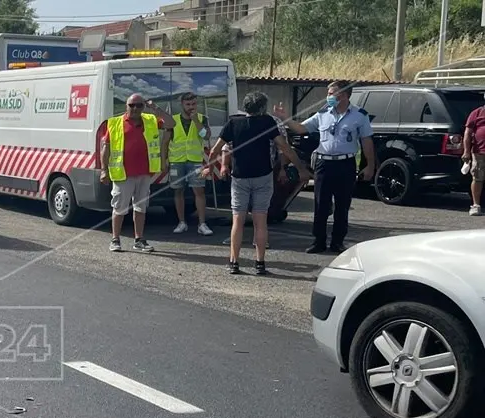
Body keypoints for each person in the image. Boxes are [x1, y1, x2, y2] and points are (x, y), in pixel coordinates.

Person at [208, 91, 311, 275]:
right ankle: (260, 262)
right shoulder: (268, 123)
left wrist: (209, 167)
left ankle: (234, 262)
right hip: (263, 176)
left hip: (239, 177)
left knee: (237, 221)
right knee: (260, 221)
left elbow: (216, 149)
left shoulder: (233, 123)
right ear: (262, 108)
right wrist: (300, 168)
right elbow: (284, 147)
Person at [274, 80, 375, 253]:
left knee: (342, 205)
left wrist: (370, 166)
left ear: (343, 95)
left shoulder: (360, 115)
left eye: (330, 94)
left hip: (345, 164)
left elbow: (366, 141)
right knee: (321, 204)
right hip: (324, 163)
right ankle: (318, 241)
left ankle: (337, 242)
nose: (327, 97)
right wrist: (285, 118)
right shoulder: (323, 113)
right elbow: (301, 129)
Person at [98, 93, 169, 253]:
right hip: (123, 173)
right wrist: (104, 170)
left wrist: (156, 109)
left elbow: (171, 123)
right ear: (126, 106)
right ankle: (115, 239)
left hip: (145, 173)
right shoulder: (115, 123)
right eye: (132, 105)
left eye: (139, 105)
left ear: (144, 106)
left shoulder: (150, 120)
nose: (135, 108)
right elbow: (106, 148)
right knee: (119, 207)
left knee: (141, 207)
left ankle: (139, 239)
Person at [147, 93, 214, 236]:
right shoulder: (174, 120)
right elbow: (165, 142)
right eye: (188, 104)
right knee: (178, 191)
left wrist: (196, 120)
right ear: (182, 105)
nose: (191, 107)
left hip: (195, 160)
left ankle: (202, 224)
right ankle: (182, 222)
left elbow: (206, 136)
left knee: (199, 191)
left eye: (194, 104)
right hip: (177, 161)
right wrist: (163, 161)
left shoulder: (202, 118)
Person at [462, 102, 485, 215]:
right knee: (477, 178)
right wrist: (466, 151)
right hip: (479, 152)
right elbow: (467, 133)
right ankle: (476, 205)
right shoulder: (477, 113)